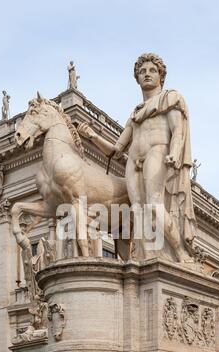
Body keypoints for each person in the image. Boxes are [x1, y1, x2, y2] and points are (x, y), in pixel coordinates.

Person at [78, 53, 196, 262]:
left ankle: (180, 254)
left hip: (157, 152)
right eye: (142, 72)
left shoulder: (169, 98)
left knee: (154, 205)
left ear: (161, 75)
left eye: (152, 70)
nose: (147, 74)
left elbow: (178, 130)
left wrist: (175, 153)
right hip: (134, 160)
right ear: (137, 78)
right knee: (139, 211)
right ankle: (146, 257)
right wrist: (92, 136)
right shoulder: (135, 114)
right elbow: (116, 150)